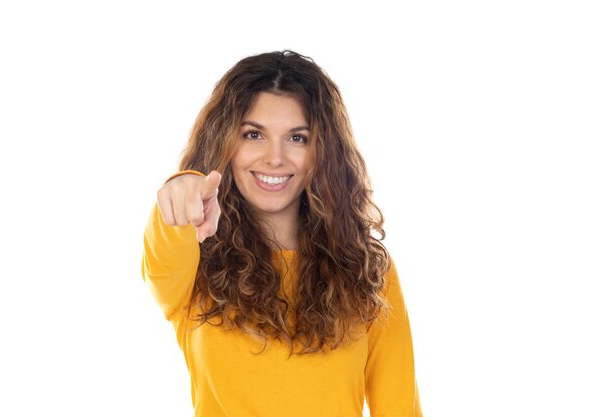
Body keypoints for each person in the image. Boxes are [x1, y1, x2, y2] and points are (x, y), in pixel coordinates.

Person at [141, 50, 422, 417]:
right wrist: (184, 187)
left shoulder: (368, 270)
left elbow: (399, 407)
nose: (275, 157)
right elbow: (168, 238)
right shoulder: (196, 256)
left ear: (322, 151)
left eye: (297, 138)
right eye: (253, 134)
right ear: (225, 143)